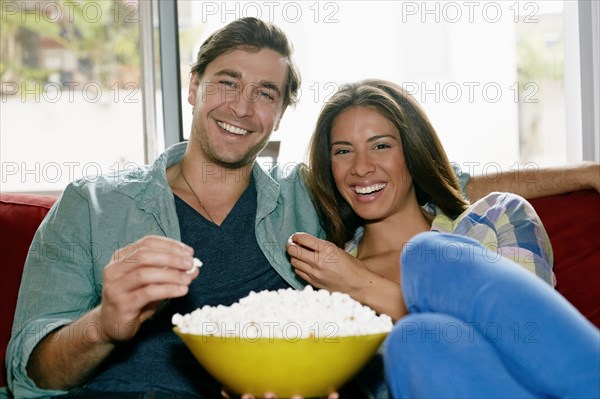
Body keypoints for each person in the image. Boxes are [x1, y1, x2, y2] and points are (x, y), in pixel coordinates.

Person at [6, 17, 599, 399]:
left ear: (282, 110)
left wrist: (588, 173)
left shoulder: (308, 197)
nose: (242, 106)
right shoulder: (91, 205)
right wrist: (105, 325)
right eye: (226, 82)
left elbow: (431, 176)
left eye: (265, 92)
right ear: (193, 86)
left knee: (435, 275)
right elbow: (29, 372)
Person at [285, 79, 600, 398]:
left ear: (413, 152)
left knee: (428, 258)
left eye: (381, 145)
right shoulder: (326, 284)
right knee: (413, 341)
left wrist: (363, 285)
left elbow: (529, 344)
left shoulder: (494, 219)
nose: (361, 167)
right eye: (343, 151)